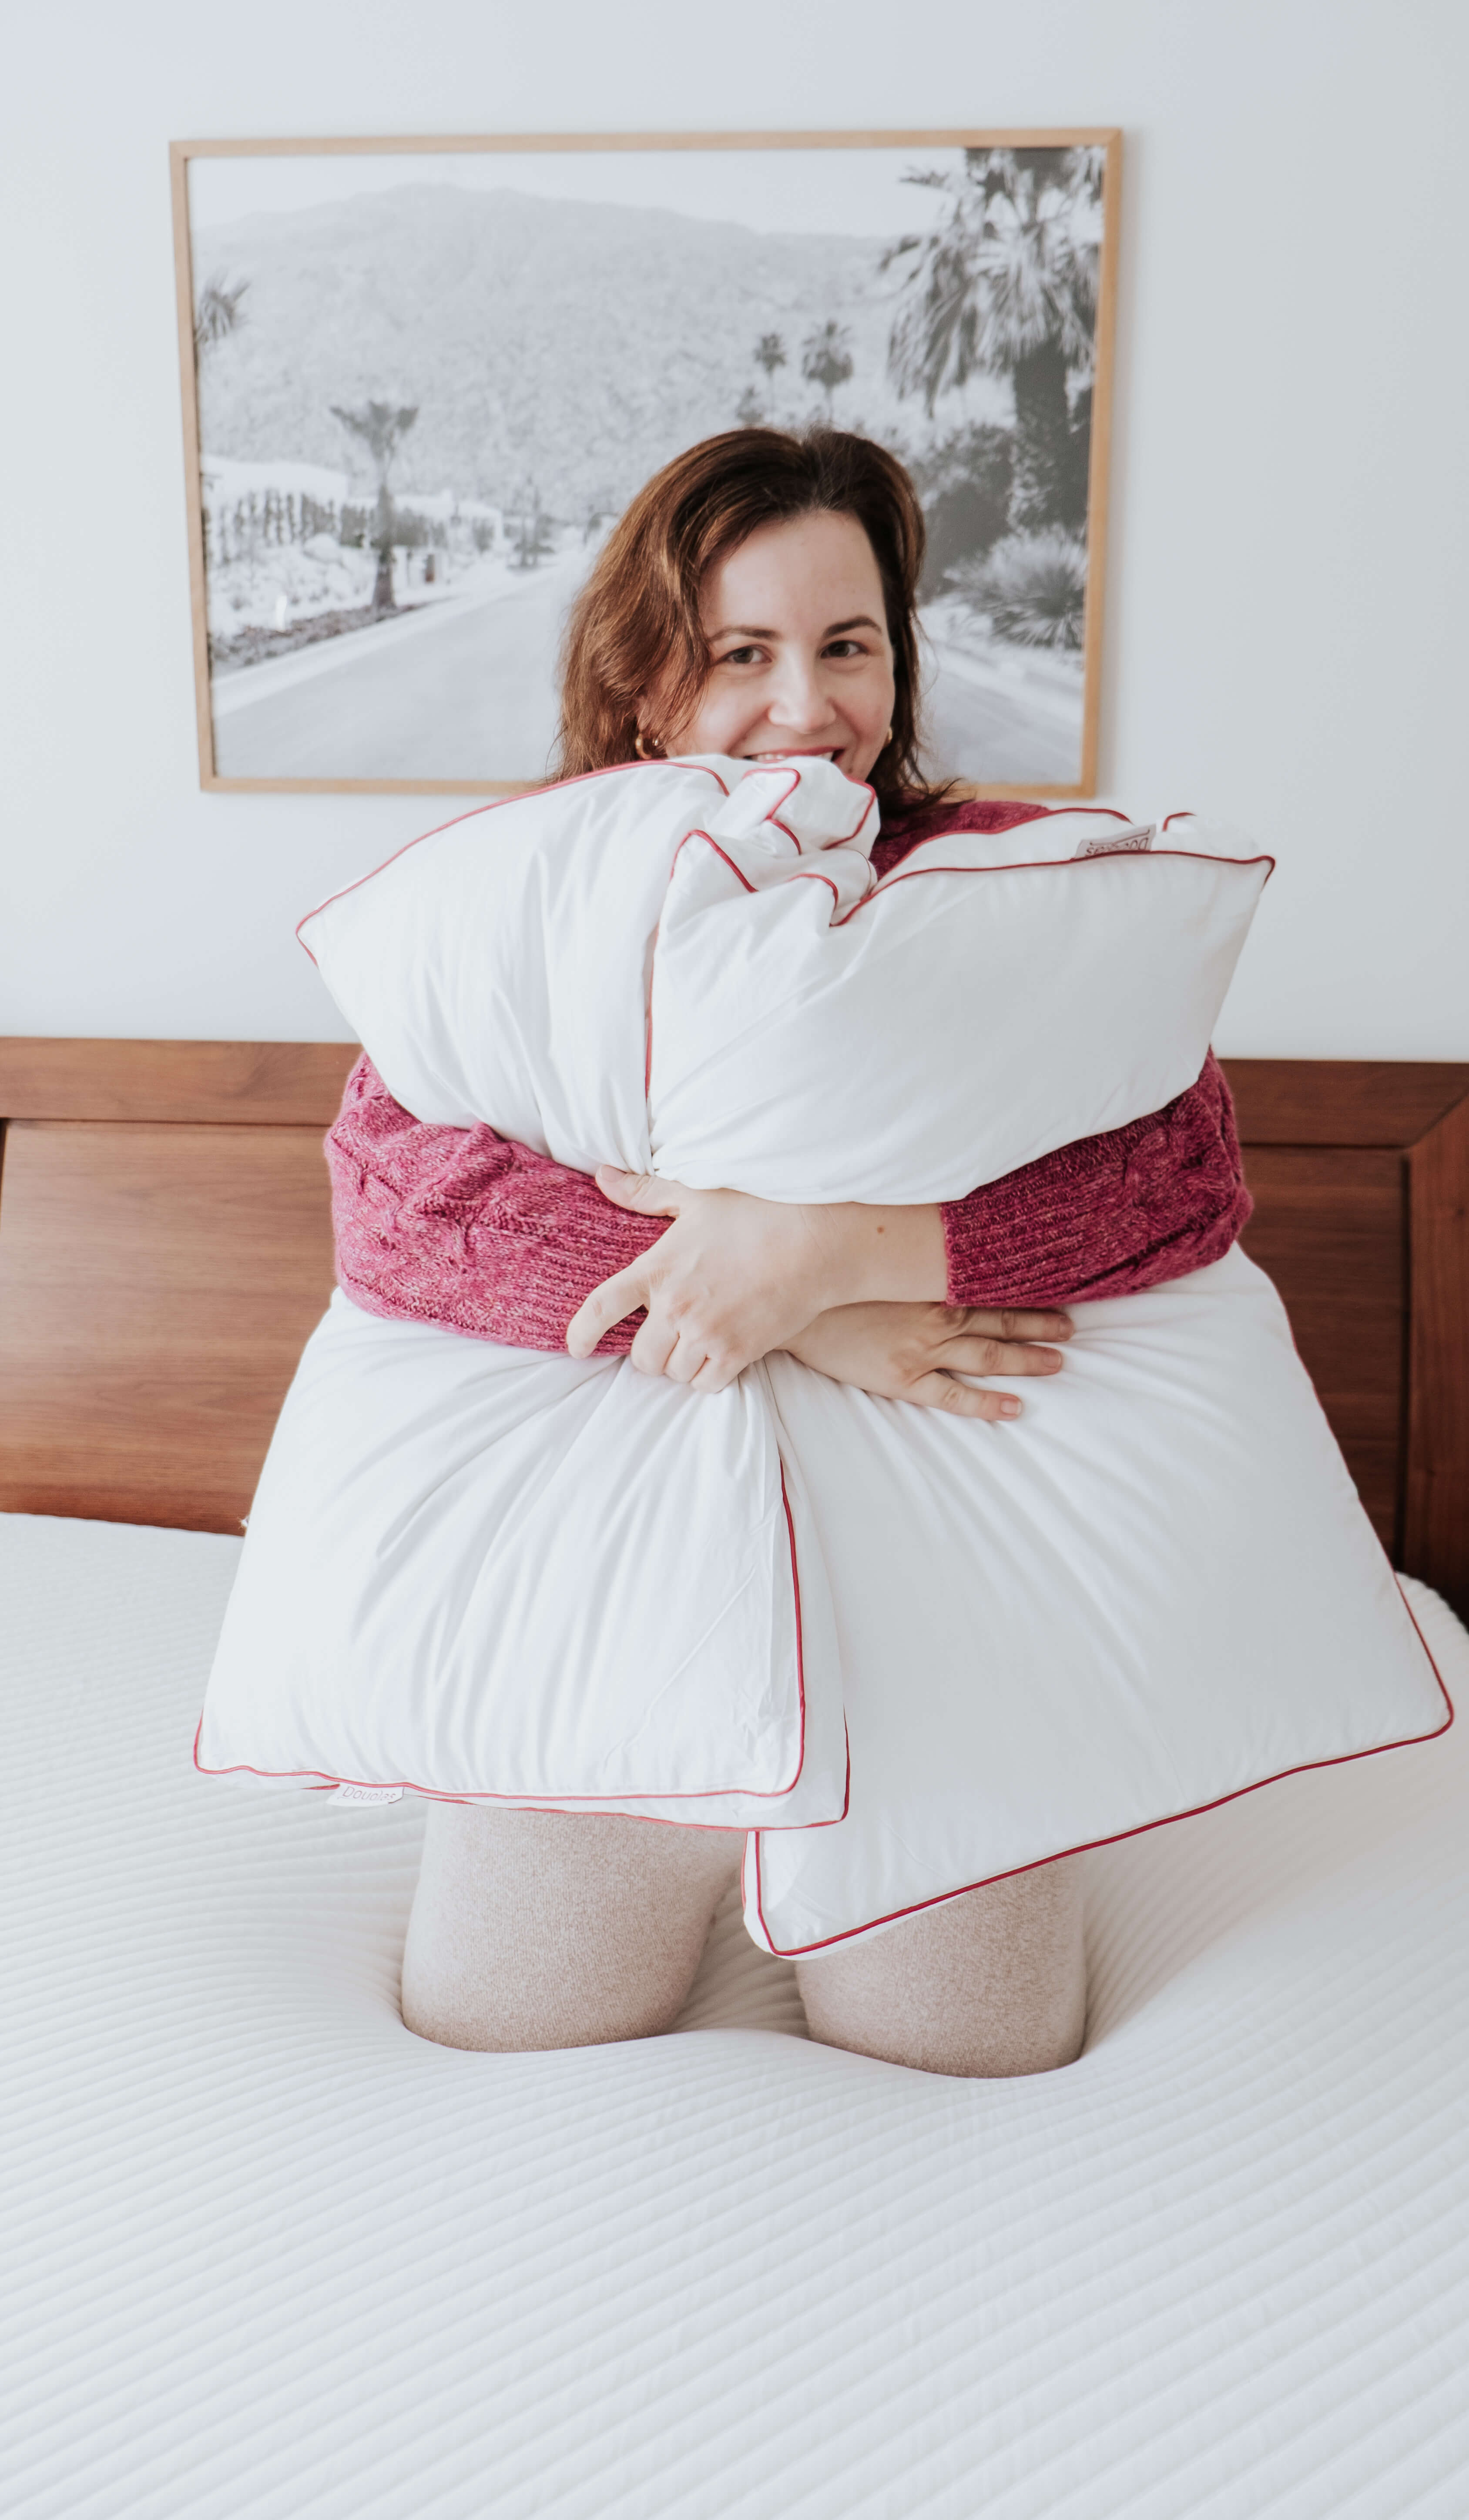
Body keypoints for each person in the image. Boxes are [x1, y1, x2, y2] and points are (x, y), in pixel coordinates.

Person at [324, 429, 1251, 2076]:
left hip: (943, 1658)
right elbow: (400, 1196)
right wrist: (794, 1313)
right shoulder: (534, 893)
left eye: (849, 645)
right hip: (607, 1633)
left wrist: (833, 1254)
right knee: (496, 2055)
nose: (807, 705)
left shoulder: (1000, 879)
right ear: (643, 683)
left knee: (978, 2075)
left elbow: (1179, 1168)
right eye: (741, 653)